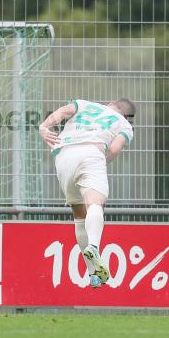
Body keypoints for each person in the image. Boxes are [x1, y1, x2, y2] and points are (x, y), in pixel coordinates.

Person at [39, 98, 135, 288]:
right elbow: (114, 148)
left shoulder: (85, 104)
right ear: (127, 116)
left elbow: (63, 112)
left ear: (110, 103)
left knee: (79, 215)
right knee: (95, 204)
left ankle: (93, 273)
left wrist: (44, 127)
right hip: (91, 152)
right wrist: (100, 161)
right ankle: (94, 246)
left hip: (62, 156)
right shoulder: (124, 124)